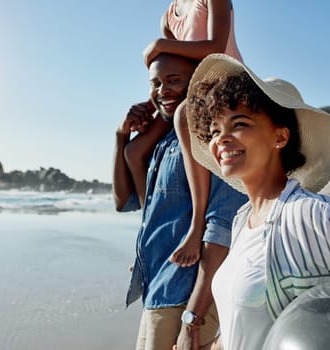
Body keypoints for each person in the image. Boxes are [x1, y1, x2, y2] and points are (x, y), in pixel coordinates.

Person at [185, 53, 330, 350]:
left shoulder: (313, 215)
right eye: (214, 130)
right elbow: (245, 327)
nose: (221, 138)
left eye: (239, 123)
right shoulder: (242, 221)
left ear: (280, 137)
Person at [113, 52, 247, 350]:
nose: (163, 90)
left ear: (197, 84)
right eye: (156, 83)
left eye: (174, 80)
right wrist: (121, 137)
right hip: (159, 289)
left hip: (186, 295)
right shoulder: (165, 144)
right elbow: (133, 204)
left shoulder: (213, 141)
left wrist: (193, 319)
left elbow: (221, 227)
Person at [143, 0, 244, 268]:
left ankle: (198, 223)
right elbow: (174, 65)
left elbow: (216, 48)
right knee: (137, 146)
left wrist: (160, 45)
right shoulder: (168, 16)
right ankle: (147, 248)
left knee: (182, 116)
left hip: (228, 81)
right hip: (196, 92)